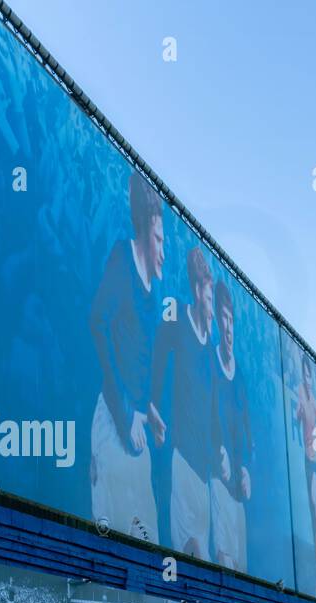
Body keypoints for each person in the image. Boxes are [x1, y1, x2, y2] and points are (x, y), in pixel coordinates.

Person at [88, 172, 165, 543]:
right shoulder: (121, 258)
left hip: (137, 434)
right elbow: (98, 323)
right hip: (114, 425)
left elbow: (136, 358)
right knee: (115, 547)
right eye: (159, 240)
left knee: (149, 546)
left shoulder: (154, 294)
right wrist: (125, 411)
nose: (163, 252)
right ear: (145, 231)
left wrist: (148, 409)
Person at [150, 245, 218, 557]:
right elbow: (158, 354)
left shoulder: (209, 352)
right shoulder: (177, 315)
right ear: (197, 291)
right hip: (182, 463)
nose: (211, 309)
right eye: (209, 299)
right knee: (193, 555)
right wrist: (152, 405)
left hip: (204, 478)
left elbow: (213, 412)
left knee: (201, 566)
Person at [209, 283, 252, 572]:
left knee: (242, 573)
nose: (227, 328)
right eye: (222, 319)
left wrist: (246, 467)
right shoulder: (209, 364)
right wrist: (217, 451)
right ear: (215, 321)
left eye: (231, 320)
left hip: (239, 494)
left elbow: (248, 434)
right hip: (218, 483)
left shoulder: (241, 378)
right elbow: (201, 417)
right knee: (225, 565)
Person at [292, 352, 316, 593]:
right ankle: (315, 562)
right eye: (305, 375)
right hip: (305, 460)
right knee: (309, 510)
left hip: (313, 463)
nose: (308, 379)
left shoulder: (314, 401)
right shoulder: (299, 392)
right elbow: (297, 414)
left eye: (310, 375)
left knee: (314, 506)